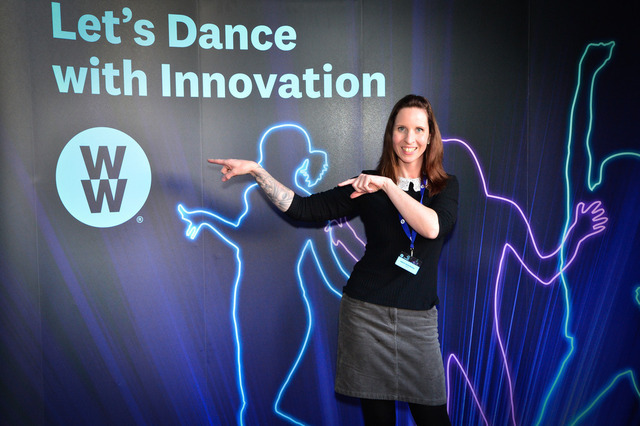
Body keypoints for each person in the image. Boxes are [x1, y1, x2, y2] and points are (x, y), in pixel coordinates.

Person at [209, 94, 458, 425]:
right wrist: (257, 171)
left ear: (429, 136)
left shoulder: (442, 186)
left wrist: (387, 185)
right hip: (366, 314)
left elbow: (431, 228)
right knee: (378, 420)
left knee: (433, 417)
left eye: (418, 129)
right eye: (401, 129)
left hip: (418, 321)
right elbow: (303, 208)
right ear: (391, 133)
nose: (409, 138)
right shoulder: (365, 184)